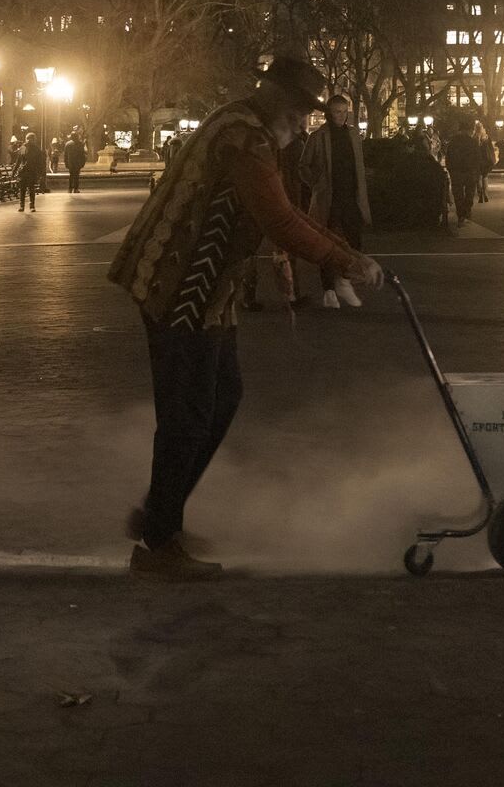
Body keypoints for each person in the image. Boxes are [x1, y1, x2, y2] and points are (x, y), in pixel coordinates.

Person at [109, 54, 382, 579]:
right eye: (301, 111)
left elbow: (286, 211)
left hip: (203, 290)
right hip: (179, 284)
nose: (304, 122)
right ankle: (158, 542)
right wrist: (345, 259)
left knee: (218, 400)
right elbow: (278, 220)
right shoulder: (248, 140)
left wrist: (339, 247)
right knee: (188, 414)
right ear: (277, 98)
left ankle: (160, 515)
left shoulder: (241, 123)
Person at [308, 94, 374, 307]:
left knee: (354, 243)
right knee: (326, 245)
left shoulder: (354, 135)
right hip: (329, 198)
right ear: (328, 113)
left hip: (351, 198)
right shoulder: (318, 137)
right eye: (337, 111)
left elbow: (359, 168)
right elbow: (303, 166)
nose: (341, 116)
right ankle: (328, 290)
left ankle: (344, 282)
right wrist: (316, 182)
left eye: (345, 111)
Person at [14, 129, 48, 211]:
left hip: (28, 172)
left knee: (28, 189)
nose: (29, 140)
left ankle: (27, 205)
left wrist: (41, 173)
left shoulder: (33, 149)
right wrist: (14, 171)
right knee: (26, 189)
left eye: (30, 138)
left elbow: (39, 162)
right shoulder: (27, 148)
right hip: (27, 172)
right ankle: (26, 206)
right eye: (28, 138)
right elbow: (18, 161)